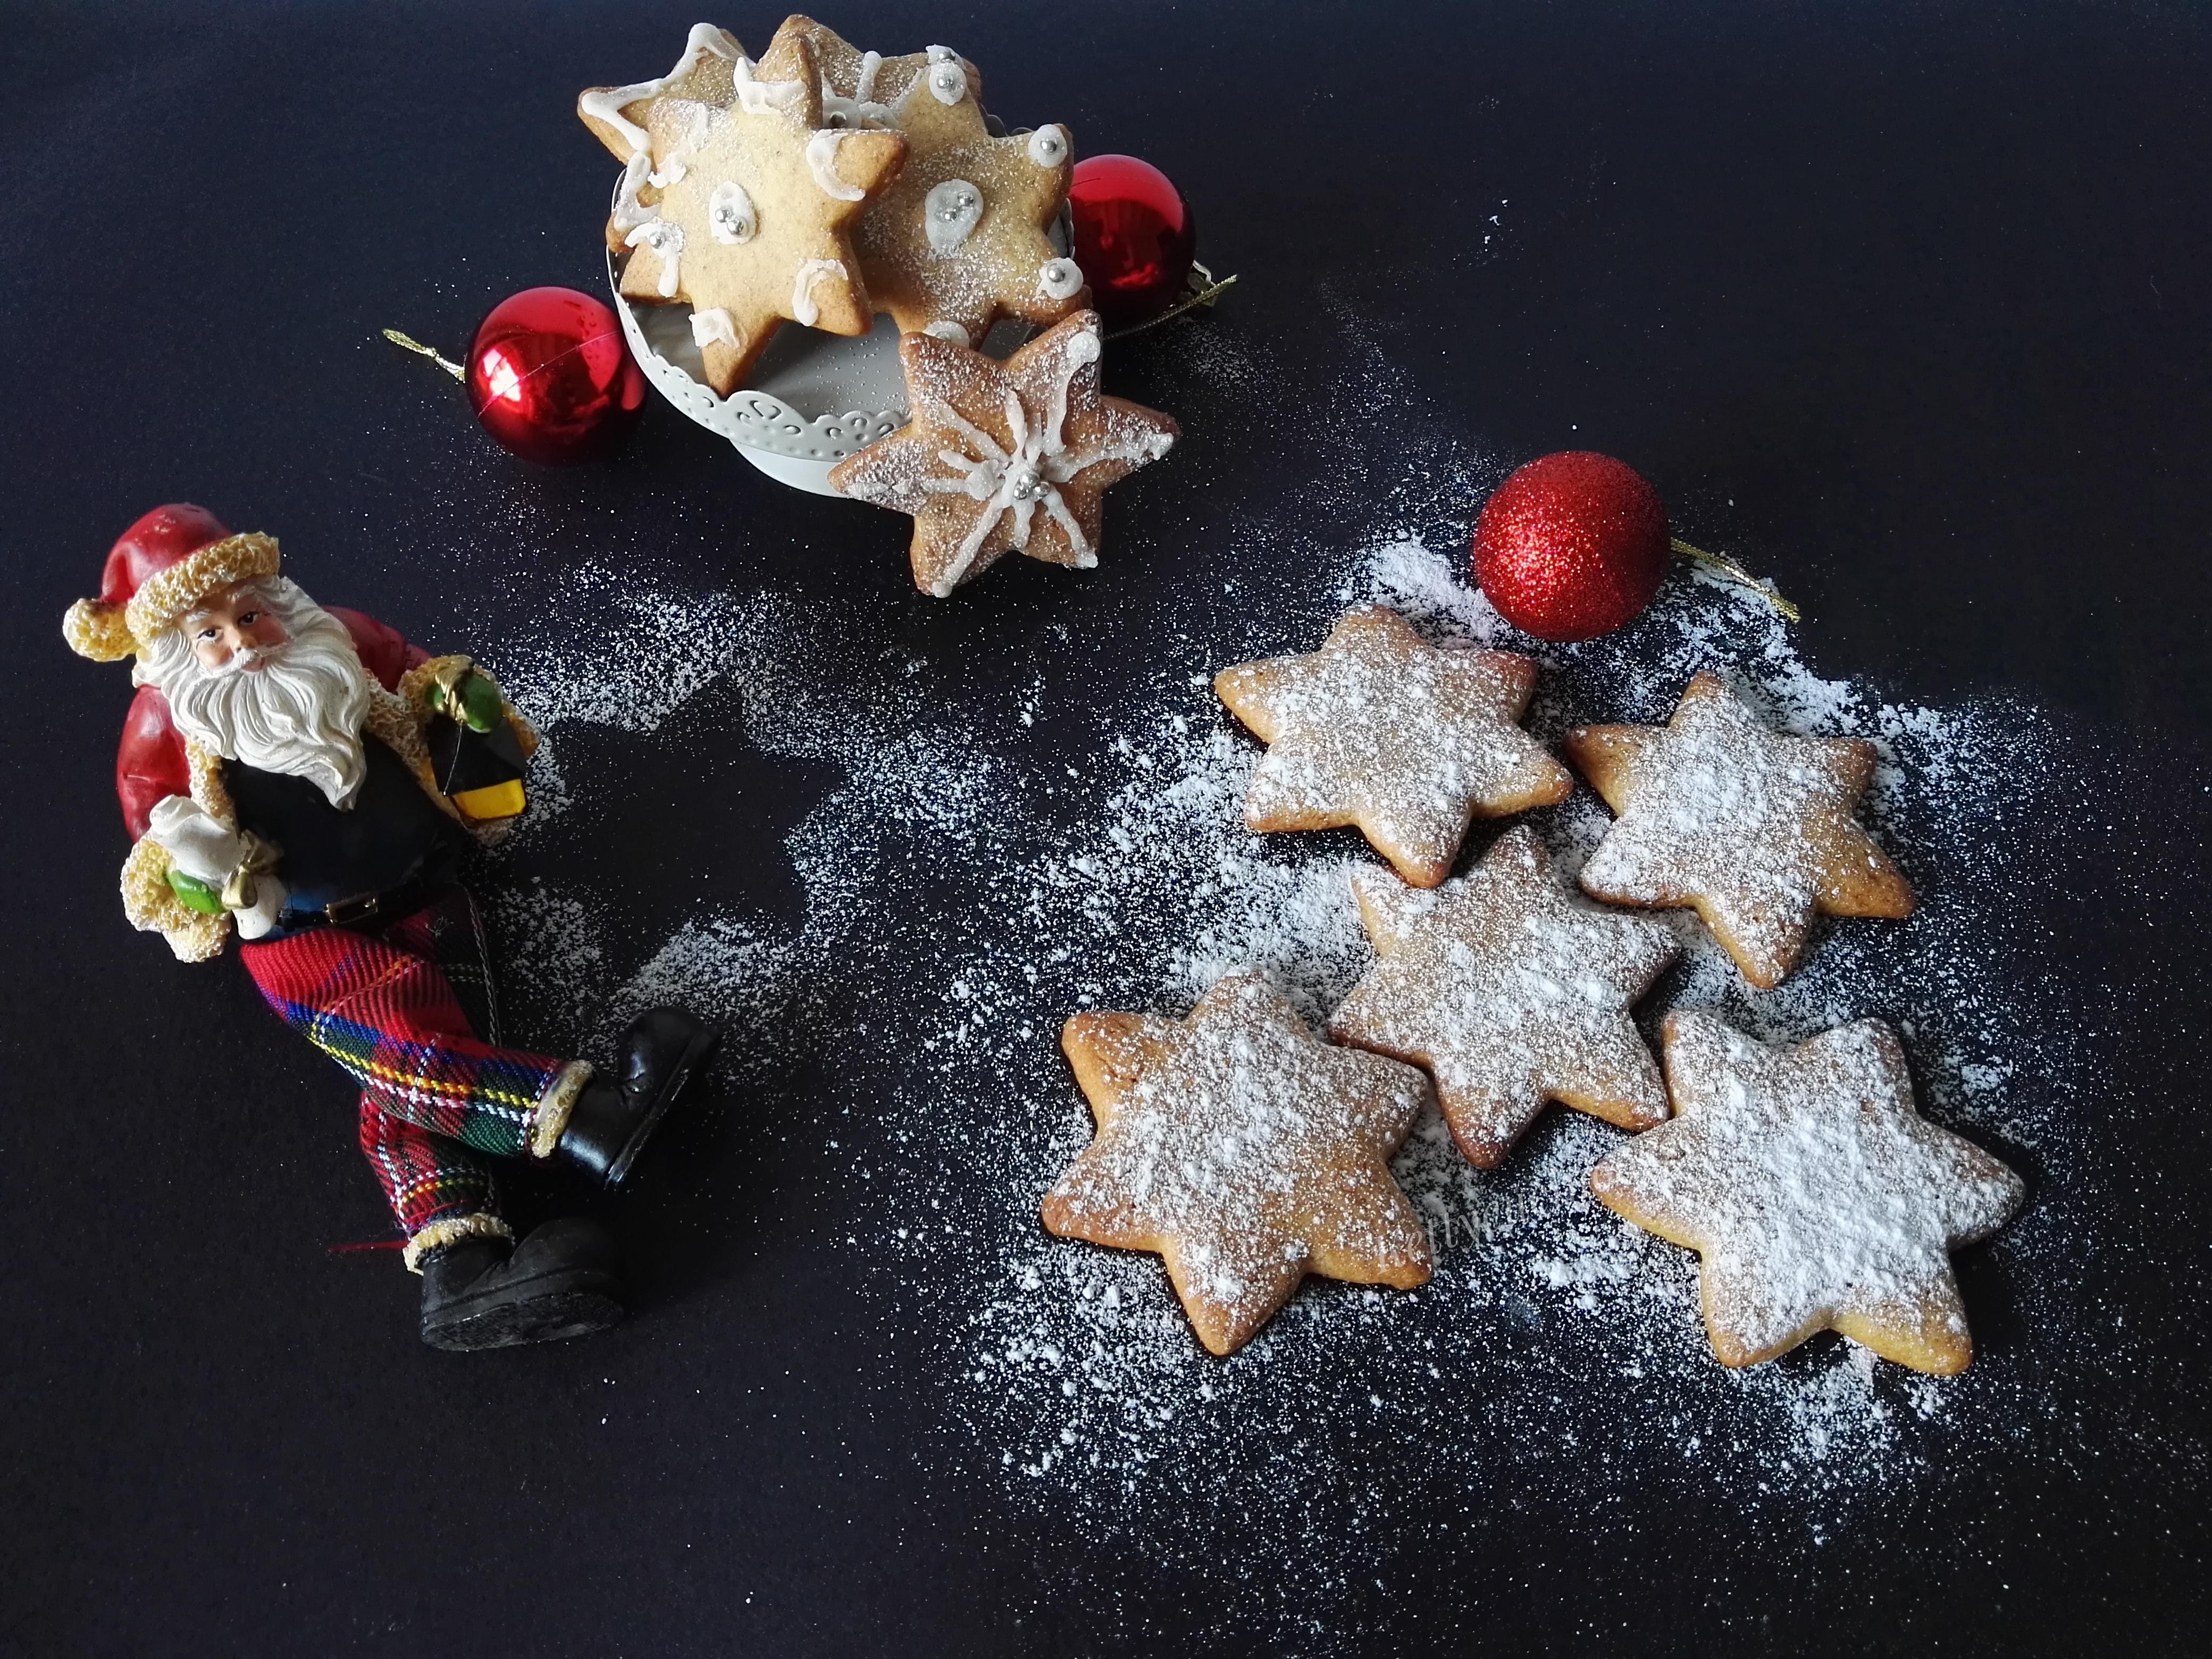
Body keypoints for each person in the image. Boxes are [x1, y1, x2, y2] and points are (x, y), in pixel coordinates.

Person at [64, 503, 716, 1351]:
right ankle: (598, 1120)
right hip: (307, 941)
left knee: (423, 1071)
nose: (245, 642)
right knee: (417, 1049)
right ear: (173, 658)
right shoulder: (164, 731)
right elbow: (161, 859)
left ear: (276, 599)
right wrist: (200, 872)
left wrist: (459, 705)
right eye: (211, 635)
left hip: (428, 895)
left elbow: (419, 679)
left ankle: (464, 1271)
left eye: (250, 613)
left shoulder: (339, 643)